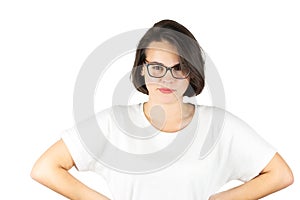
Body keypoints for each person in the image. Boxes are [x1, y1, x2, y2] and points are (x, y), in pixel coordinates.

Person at [31, 19, 293, 200]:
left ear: (191, 74)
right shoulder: (113, 123)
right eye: (157, 67)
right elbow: (45, 168)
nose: (167, 79)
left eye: (178, 68)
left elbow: (280, 174)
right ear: (142, 69)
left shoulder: (219, 126)